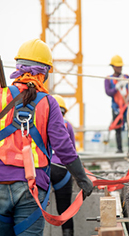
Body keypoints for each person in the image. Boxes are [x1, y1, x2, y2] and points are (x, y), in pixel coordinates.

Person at [0, 38, 93, 236]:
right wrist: (82, 178)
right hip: (30, 186)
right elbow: (64, 148)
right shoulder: (49, 104)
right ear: (45, 72)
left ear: (18, 67)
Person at [51, 94, 75, 236]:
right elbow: (72, 153)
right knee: (65, 210)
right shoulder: (67, 125)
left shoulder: (41, 123)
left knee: (34, 209)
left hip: (44, 169)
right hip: (63, 171)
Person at [104, 55, 129, 153]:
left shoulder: (126, 78)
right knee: (117, 128)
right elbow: (108, 92)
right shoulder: (109, 79)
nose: (119, 68)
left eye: (120, 66)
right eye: (117, 66)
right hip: (116, 107)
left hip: (127, 106)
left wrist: (128, 94)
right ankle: (119, 148)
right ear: (113, 67)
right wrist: (116, 88)